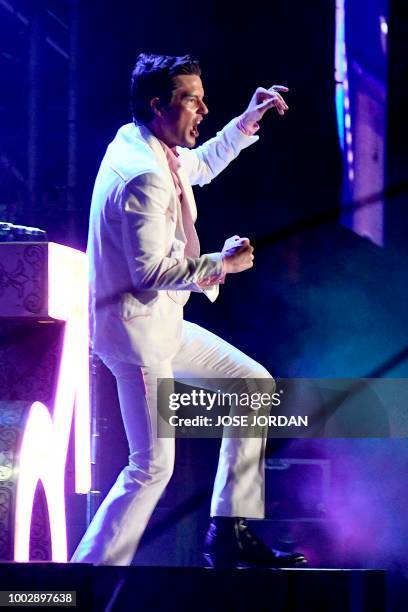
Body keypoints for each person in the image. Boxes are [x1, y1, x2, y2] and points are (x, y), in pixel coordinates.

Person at [71, 53, 306, 568]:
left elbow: (198, 166)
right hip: (135, 336)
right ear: (158, 105)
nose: (203, 109)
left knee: (253, 386)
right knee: (152, 467)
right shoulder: (142, 174)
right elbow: (148, 273)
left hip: (161, 323)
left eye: (201, 98)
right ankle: (82, 579)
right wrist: (220, 264)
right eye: (191, 100)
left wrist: (247, 121)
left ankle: (229, 530)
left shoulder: (148, 144)